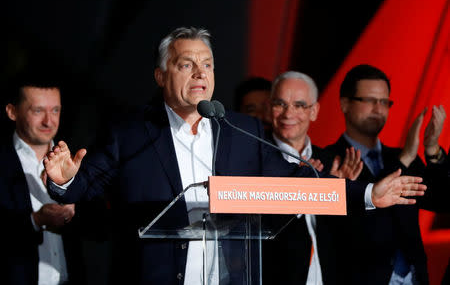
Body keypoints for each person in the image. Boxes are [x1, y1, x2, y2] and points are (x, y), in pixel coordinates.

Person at [44, 28, 425, 285]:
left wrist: (366, 195)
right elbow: (83, 185)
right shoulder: (129, 133)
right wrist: (64, 179)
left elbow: (297, 186)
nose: (200, 73)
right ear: (160, 76)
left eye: (207, 64)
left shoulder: (240, 131)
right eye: (186, 64)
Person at [324, 64, 448, 285]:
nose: (378, 109)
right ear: (345, 104)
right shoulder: (328, 160)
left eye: (384, 102)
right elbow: (347, 225)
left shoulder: (400, 156)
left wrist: (432, 150)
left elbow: (443, 200)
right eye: (369, 100)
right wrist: (405, 158)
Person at [263, 71, 363, 285]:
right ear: (269, 107)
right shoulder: (254, 158)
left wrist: (338, 199)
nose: (288, 114)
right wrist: (303, 194)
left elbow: (347, 238)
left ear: (314, 111)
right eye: (280, 104)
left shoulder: (330, 162)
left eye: (299, 105)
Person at [0, 78, 83, 284]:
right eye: (38, 111)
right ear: (12, 112)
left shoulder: (76, 158)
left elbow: (100, 229)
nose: (49, 121)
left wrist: (69, 193)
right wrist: (35, 221)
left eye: (55, 110)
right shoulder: (0, 162)